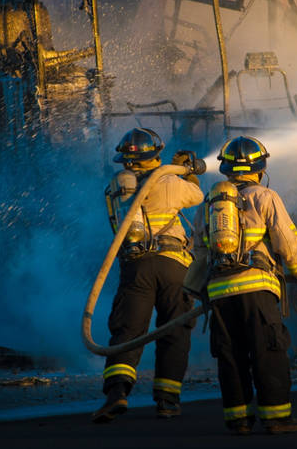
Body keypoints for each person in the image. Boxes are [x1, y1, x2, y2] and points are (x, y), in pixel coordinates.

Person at [187, 136, 297, 435]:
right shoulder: (265, 196)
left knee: (230, 355)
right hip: (256, 289)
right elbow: (287, 242)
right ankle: (276, 418)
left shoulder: (209, 203)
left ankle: (238, 420)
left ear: (225, 168)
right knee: (267, 351)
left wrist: (195, 291)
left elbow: (198, 249)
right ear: (260, 167)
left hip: (220, 294)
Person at [92, 127, 205, 423]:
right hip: (173, 265)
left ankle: (117, 393)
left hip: (136, 267)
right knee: (175, 328)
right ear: (155, 153)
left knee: (128, 330)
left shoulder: (119, 183)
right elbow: (196, 194)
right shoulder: (170, 181)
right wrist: (188, 171)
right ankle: (167, 400)